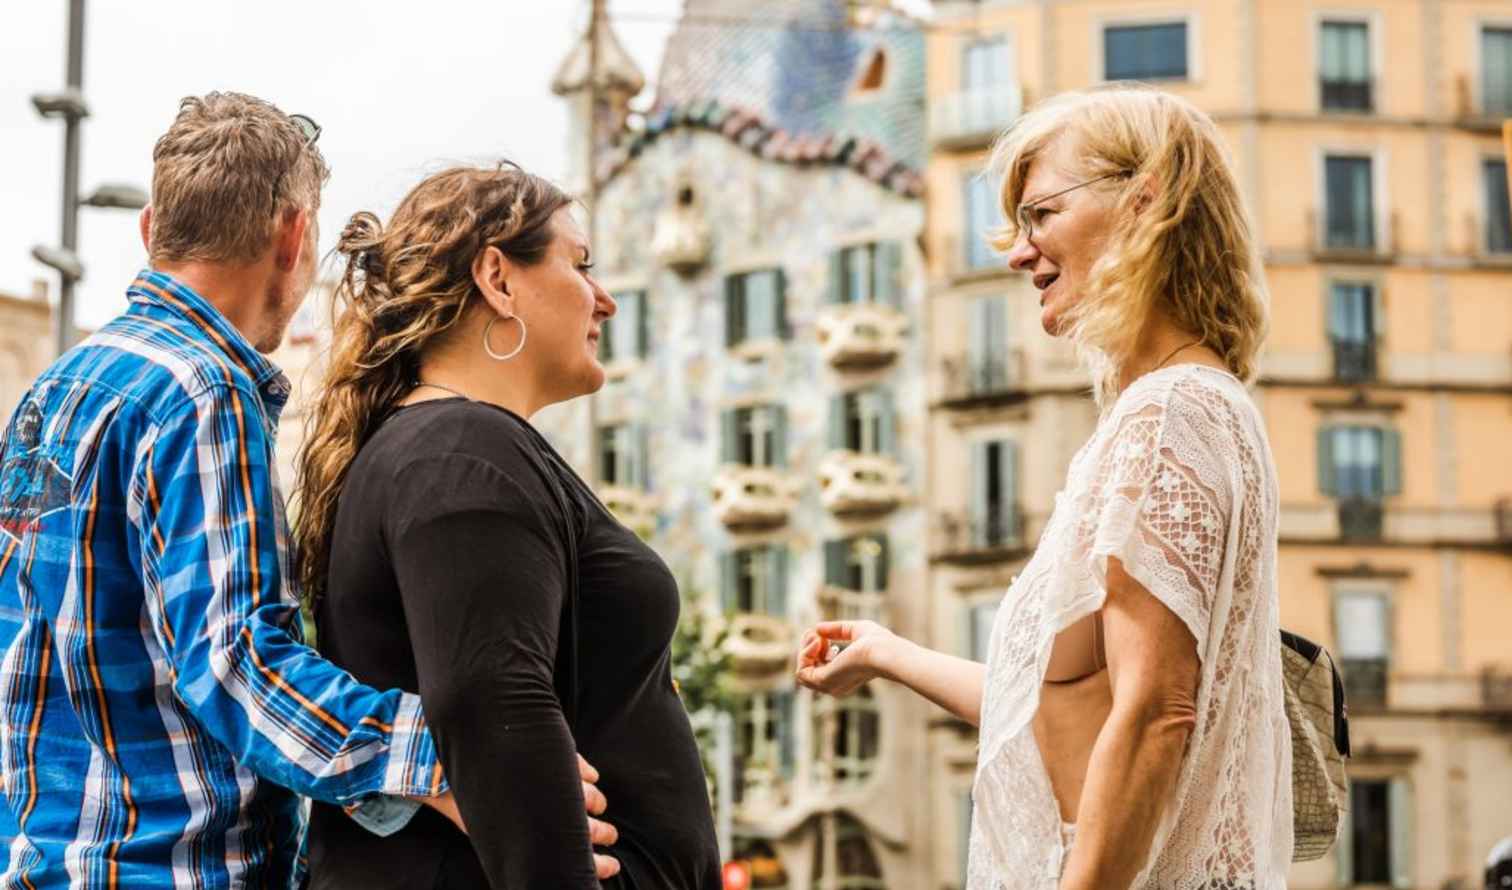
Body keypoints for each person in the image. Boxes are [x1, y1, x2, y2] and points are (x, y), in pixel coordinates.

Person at [0, 92, 613, 889]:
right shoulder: (201, 390)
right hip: (172, 871)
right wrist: (449, 756)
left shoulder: (57, 391)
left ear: (151, 231)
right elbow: (235, 659)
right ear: (294, 235)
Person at [797, 86, 1290, 890]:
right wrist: (886, 654)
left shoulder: (1170, 414)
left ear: (1145, 200)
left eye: (1041, 214)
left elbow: (1158, 712)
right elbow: (1063, 708)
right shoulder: (1194, 406)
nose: (1018, 251)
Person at [291, 163, 721, 890]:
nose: (605, 300)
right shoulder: (459, 453)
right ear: (498, 276)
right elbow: (493, 705)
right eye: (581, 266)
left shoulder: (457, 448)